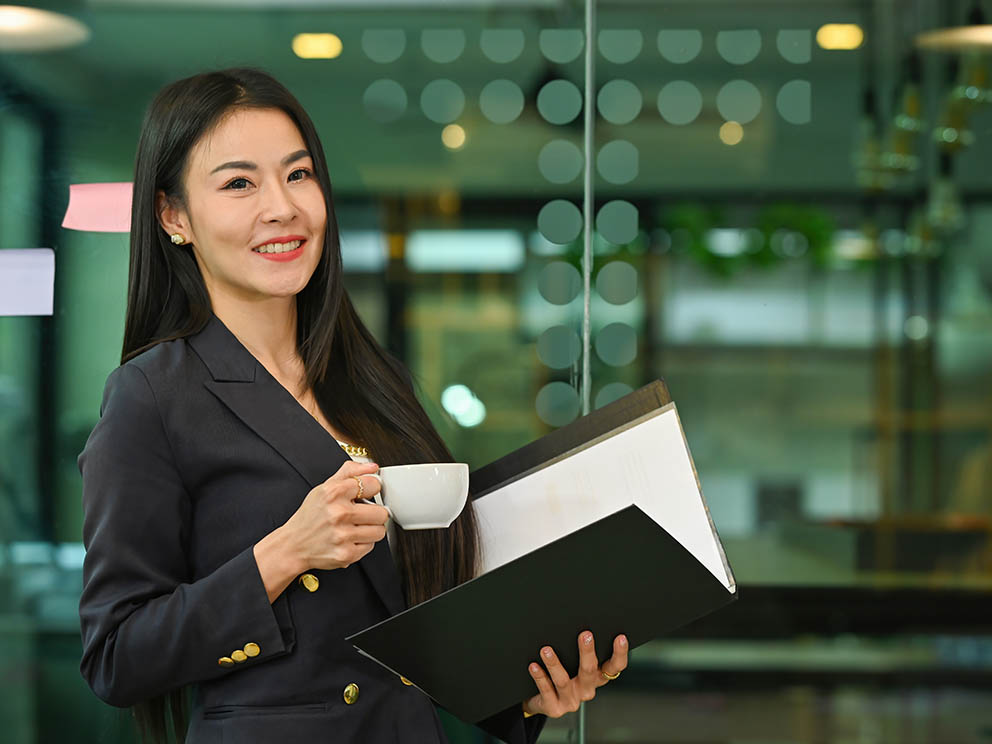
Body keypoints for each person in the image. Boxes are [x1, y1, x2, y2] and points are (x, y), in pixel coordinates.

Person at [76, 68, 628, 744]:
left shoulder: (369, 377)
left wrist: (528, 695)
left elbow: (409, 629)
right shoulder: (153, 394)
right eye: (239, 183)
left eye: (298, 175)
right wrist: (284, 554)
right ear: (173, 216)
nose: (282, 207)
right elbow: (115, 657)